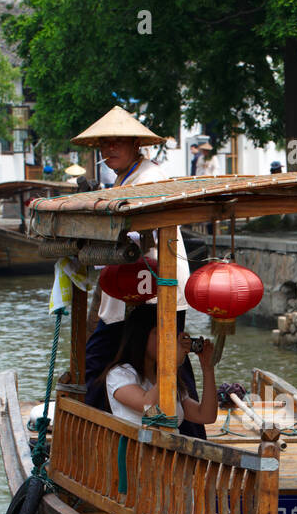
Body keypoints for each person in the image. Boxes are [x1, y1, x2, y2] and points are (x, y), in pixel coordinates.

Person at [70, 106, 204, 437]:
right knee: (152, 361)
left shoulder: (149, 178)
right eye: (104, 144)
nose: (108, 149)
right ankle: (107, 430)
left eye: (116, 142)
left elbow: (136, 232)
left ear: (136, 145)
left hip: (153, 289)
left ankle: (91, 431)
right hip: (135, 287)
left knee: (154, 359)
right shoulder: (126, 178)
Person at [102, 304, 218, 429]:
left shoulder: (166, 377)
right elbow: (148, 407)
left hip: (168, 446)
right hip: (137, 447)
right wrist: (171, 363)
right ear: (140, 336)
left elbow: (206, 416)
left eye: (170, 333)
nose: (167, 340)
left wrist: (207, 368)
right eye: (159, 332)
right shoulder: (119, 374)